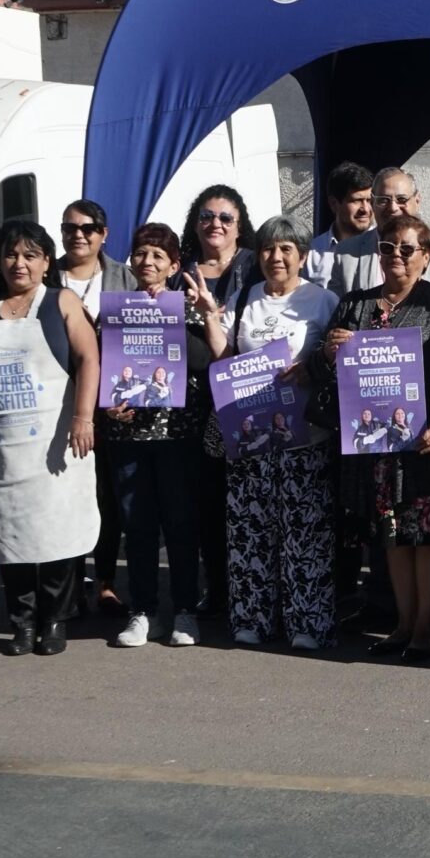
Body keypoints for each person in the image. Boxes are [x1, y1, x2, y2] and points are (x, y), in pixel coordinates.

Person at [0, 220, 100, 656]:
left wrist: (83, 418)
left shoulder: (62, 302)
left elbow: (89, 358)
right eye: (11, 254)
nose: (19, 263)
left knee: (55, 535)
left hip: (55, 446)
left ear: (47, 262)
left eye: (30, 255)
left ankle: (54, 622)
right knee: (8, 536)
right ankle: (22, 624)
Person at [317, 214, 430, 661]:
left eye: (406, 248)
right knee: (393, 534)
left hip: (423, 440)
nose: (395, 255)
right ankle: (402, 624)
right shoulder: (355, 305)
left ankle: (425, 629)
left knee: (427, 536)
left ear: (426, 256)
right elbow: (328, 370)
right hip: (375, 447)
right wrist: (330, 352)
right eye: (387, 247)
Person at [100, 223, 221, 648]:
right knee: (137, 527)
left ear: (173, 265)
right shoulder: (115, 309)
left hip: (177, 435)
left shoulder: (188, 306)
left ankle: (185, 610)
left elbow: (205, 360)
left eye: (157, 256)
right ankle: (143, 611)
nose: (147, 262)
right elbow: (99, 366)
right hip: (128, 435)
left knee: (181, 524)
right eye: (140, 254)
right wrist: (106, 404)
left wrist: (172, 317)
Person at [225, 217, 340, 648]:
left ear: (303, 256)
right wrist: (208, 317)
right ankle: (252, 618)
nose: (276, 257)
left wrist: (311, 368)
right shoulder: (243, 298)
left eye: (286, 249)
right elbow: (224, 356)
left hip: (306, 438)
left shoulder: (323, 301)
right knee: (251, 530)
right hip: (251, 438)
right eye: (268, 249)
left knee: (305, 532)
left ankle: (307, 624)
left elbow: (335, 362)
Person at [56, 199, 137, 619]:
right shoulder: (47, 275)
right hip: (58, 404)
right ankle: (70, 586)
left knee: (107, 500)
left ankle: (105, 582)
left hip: (113, 406)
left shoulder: (125, 277)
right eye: (70, 227)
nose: (78, 235)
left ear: (103, 234)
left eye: (88, 228)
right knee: (65, 498)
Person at [182, 184, 252, 625]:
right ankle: (218, 587)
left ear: (239, 226)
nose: (216, 224)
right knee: (207, 501)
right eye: (207, 216)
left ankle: (250, 586)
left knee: (244, 499)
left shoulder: (256, 268)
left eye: (226, 217)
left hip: (246, 398)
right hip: (194, 401)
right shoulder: (180, 272)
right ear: (195, 223)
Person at [305, 162, 379, 297]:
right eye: (356, 200)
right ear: (334, 204)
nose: (365, 209)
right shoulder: (312, 254)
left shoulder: (384, 248)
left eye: (369, 200)